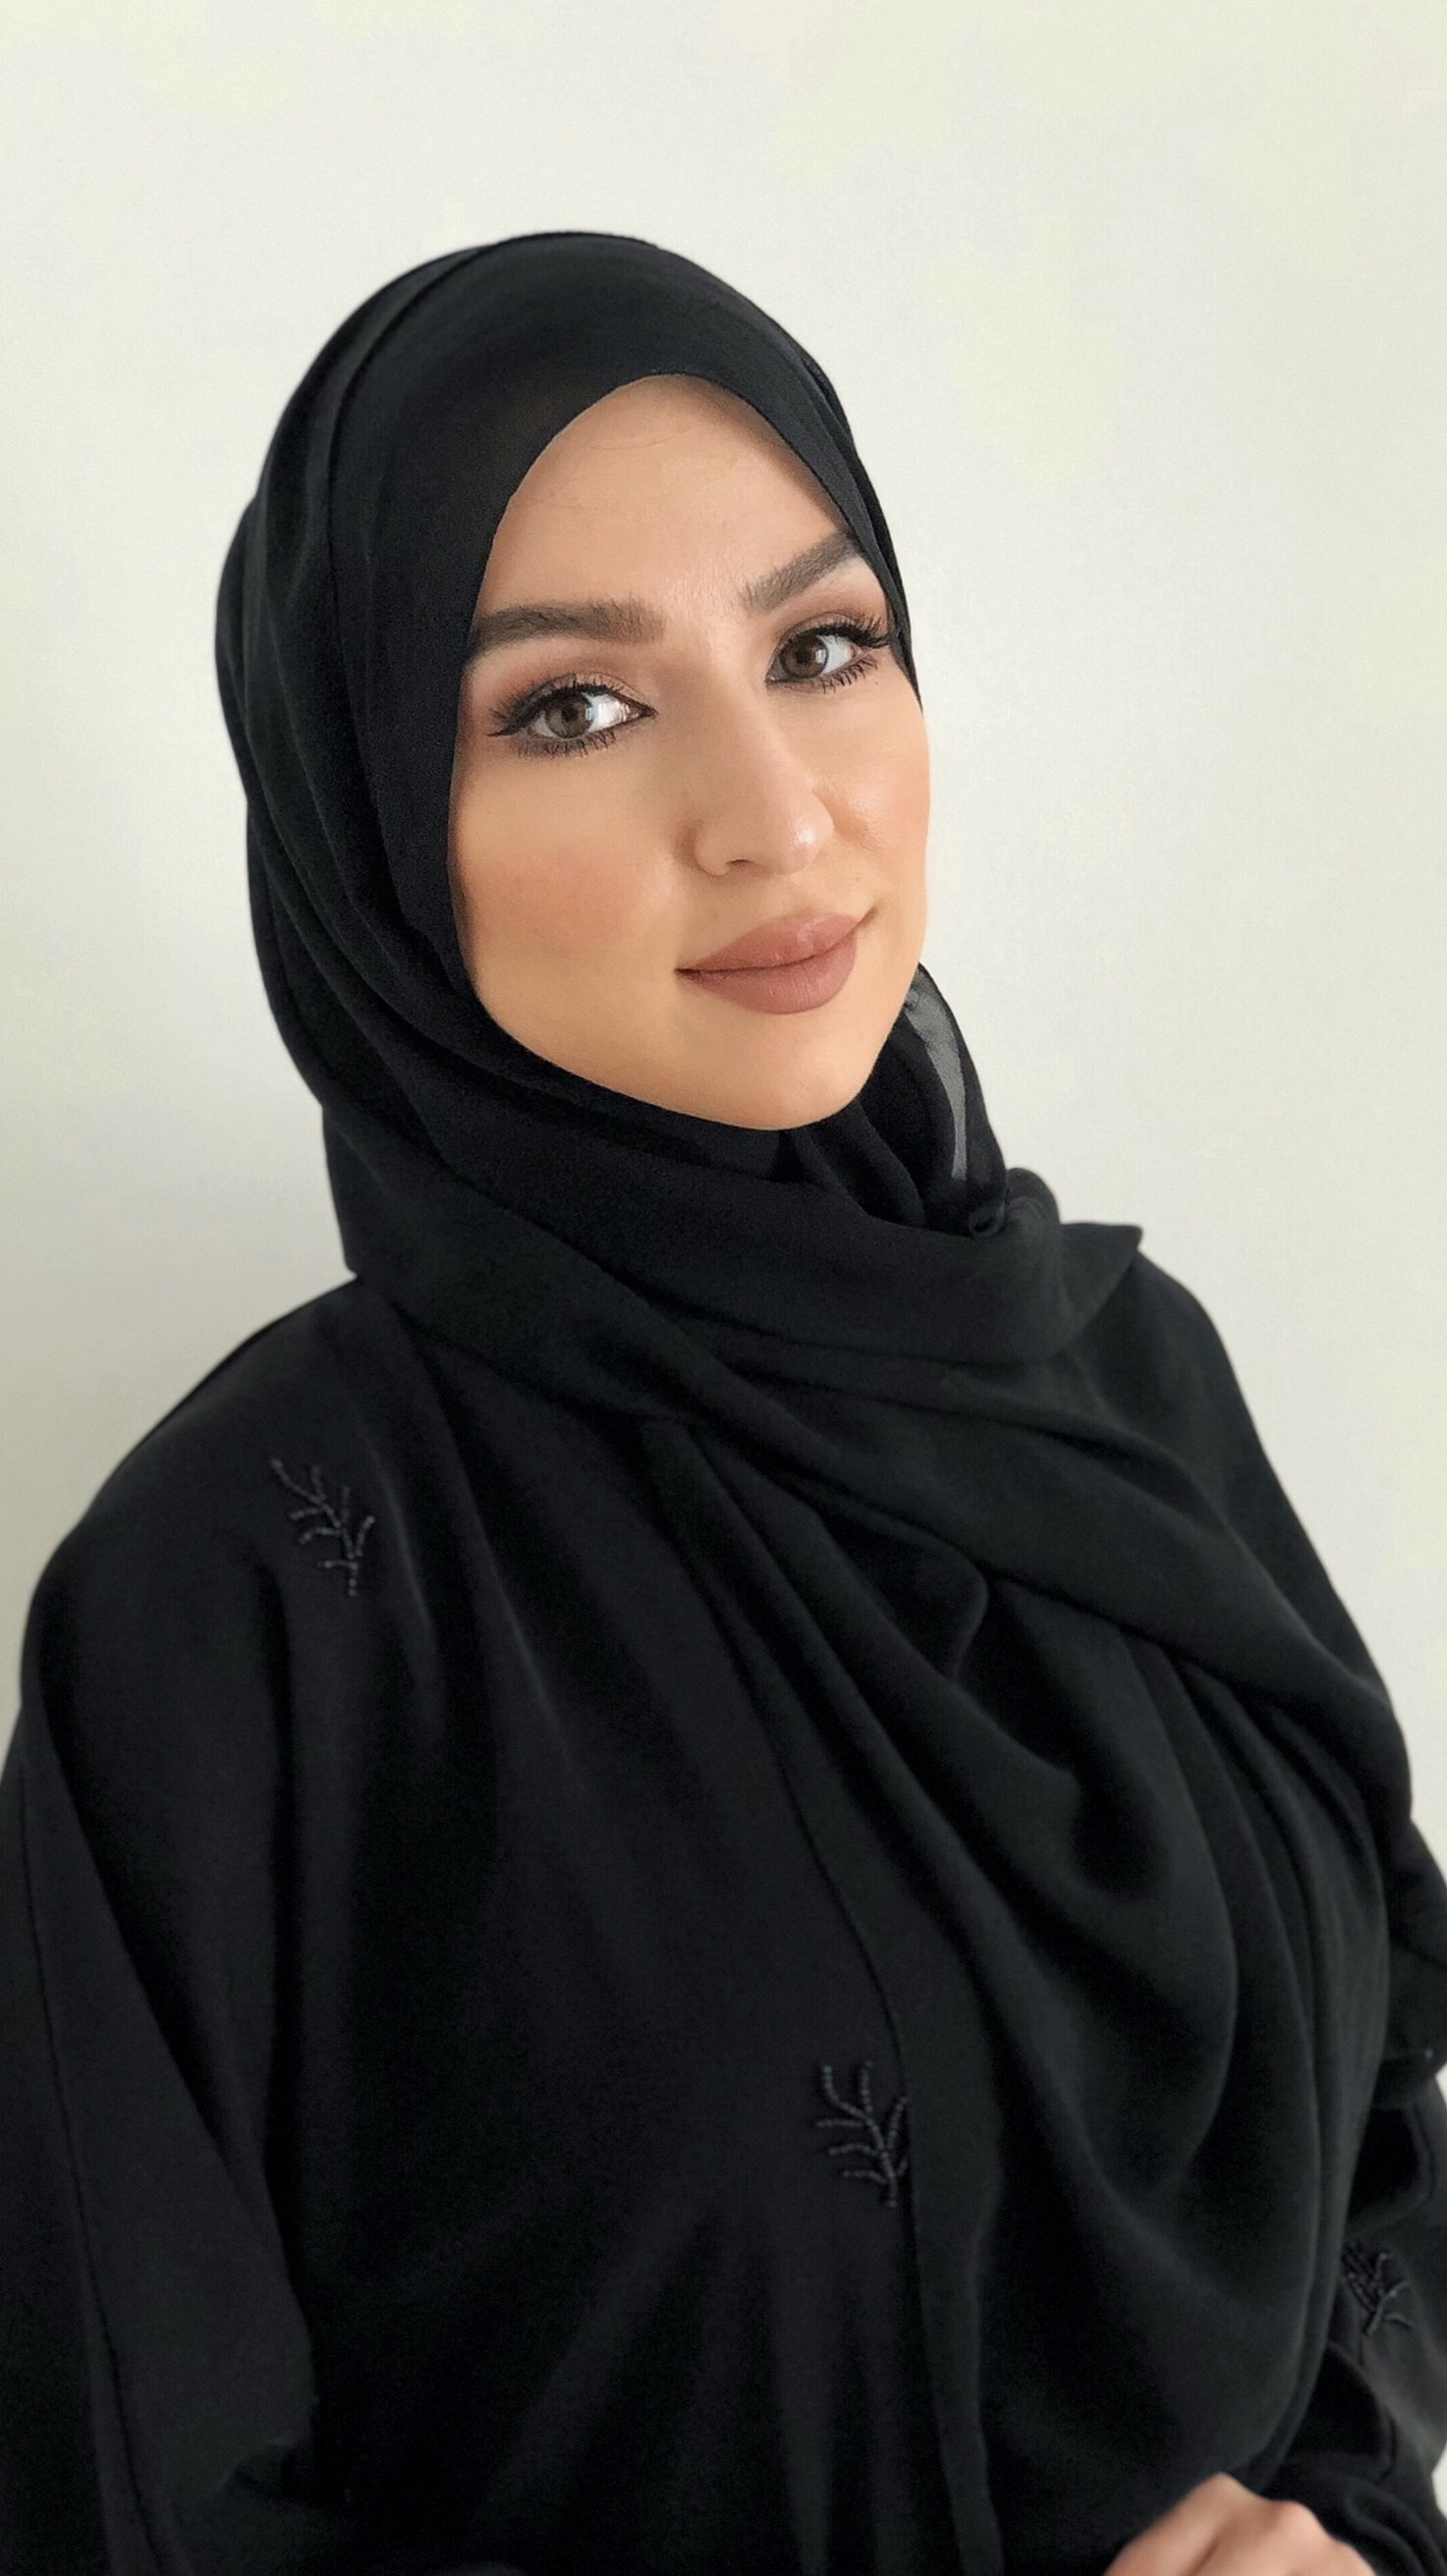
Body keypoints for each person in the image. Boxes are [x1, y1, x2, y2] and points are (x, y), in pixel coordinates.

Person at [2, 231, 1446, 2576]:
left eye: (820, 648)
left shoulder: (1119, 1380)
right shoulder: (249, 1586)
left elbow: (1375, 2098)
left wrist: (1344, 2515)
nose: (773, 816)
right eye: (573, 706)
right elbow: (129, 2504)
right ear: (367, 826)